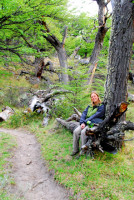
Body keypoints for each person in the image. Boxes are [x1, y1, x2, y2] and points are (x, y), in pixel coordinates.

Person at [71, 91, 105, 156]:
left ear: (97, 97)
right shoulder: (89, 106)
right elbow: (84, 114)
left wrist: (85, 122)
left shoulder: (101, 106)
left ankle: (83, 150)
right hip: (86, 122)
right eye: (92, 97)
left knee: (83, 132)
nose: (93, 98)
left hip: (93, 123)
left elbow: (95, 116)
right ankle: (75, 150)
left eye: (94, 96)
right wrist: (81, 123)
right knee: (76, 131)